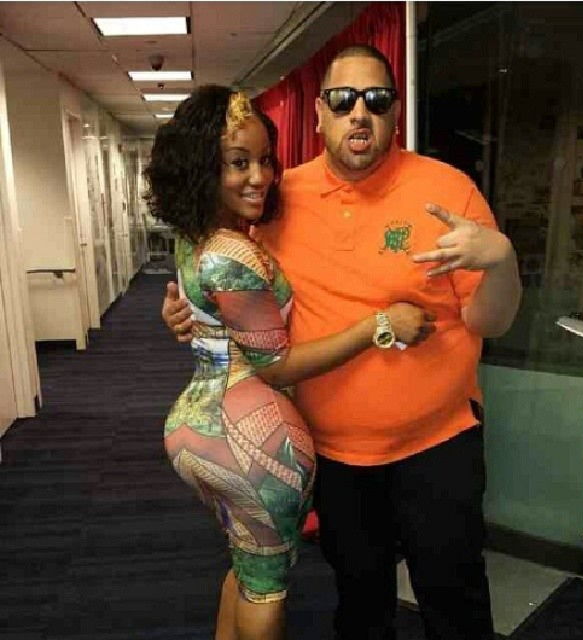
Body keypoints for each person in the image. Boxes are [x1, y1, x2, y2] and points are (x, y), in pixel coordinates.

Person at [162, 46, 521, 640]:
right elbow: (227, 274)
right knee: (359, 599)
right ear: (320, 115)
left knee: (453, 597)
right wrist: (187, 311)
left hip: (436, 443)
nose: (360, 112)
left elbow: (491, 322)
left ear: (395, 113)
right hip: (333, 452)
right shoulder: (279, 196)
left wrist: (503, 261)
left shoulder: (446, 191)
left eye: (377, 100)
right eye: (343, 99)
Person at [145, 84, 429, 640]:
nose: (260, 177)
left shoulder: (195, 236)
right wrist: (379, 326)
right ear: (202, 168)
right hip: (249, 437)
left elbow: (204, 312)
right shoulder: (235, 255)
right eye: (238, 163)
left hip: (198, 424)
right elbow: (276, 365)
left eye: (265, 160)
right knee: (266, 587)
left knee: (246, 564)